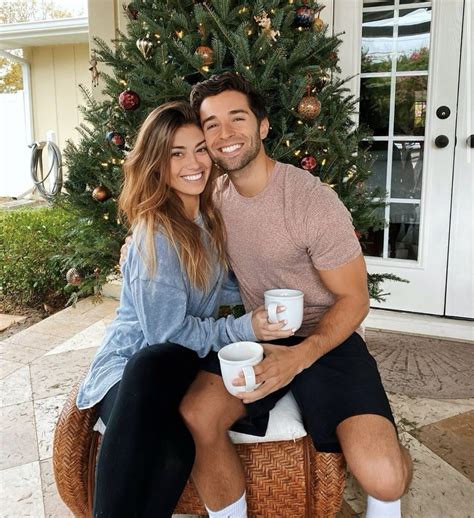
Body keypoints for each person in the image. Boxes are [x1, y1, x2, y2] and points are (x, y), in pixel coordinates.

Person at [177, 72, 413, 518]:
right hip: (260, 333)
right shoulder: (212, 195)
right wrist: (138, 240)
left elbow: (355, 300)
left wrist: (300, 357)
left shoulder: (310, 201)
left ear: (262, 126)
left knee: (384, 477)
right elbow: (168, 218)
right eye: (211, 125)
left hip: (329, 336)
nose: (225, 135)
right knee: (198, 415)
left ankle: (397, 458)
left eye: (237, 118)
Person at [76, 101, 292, 518]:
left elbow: (232, 282)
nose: (194, 163)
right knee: (157, 364)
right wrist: (244, 328)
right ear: (157, 164)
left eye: (199, 149)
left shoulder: (206, 221)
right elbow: (166, 337)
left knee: (176, 448)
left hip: (176, 365)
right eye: (177, 153)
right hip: (131, 371)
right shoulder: (156, 232)